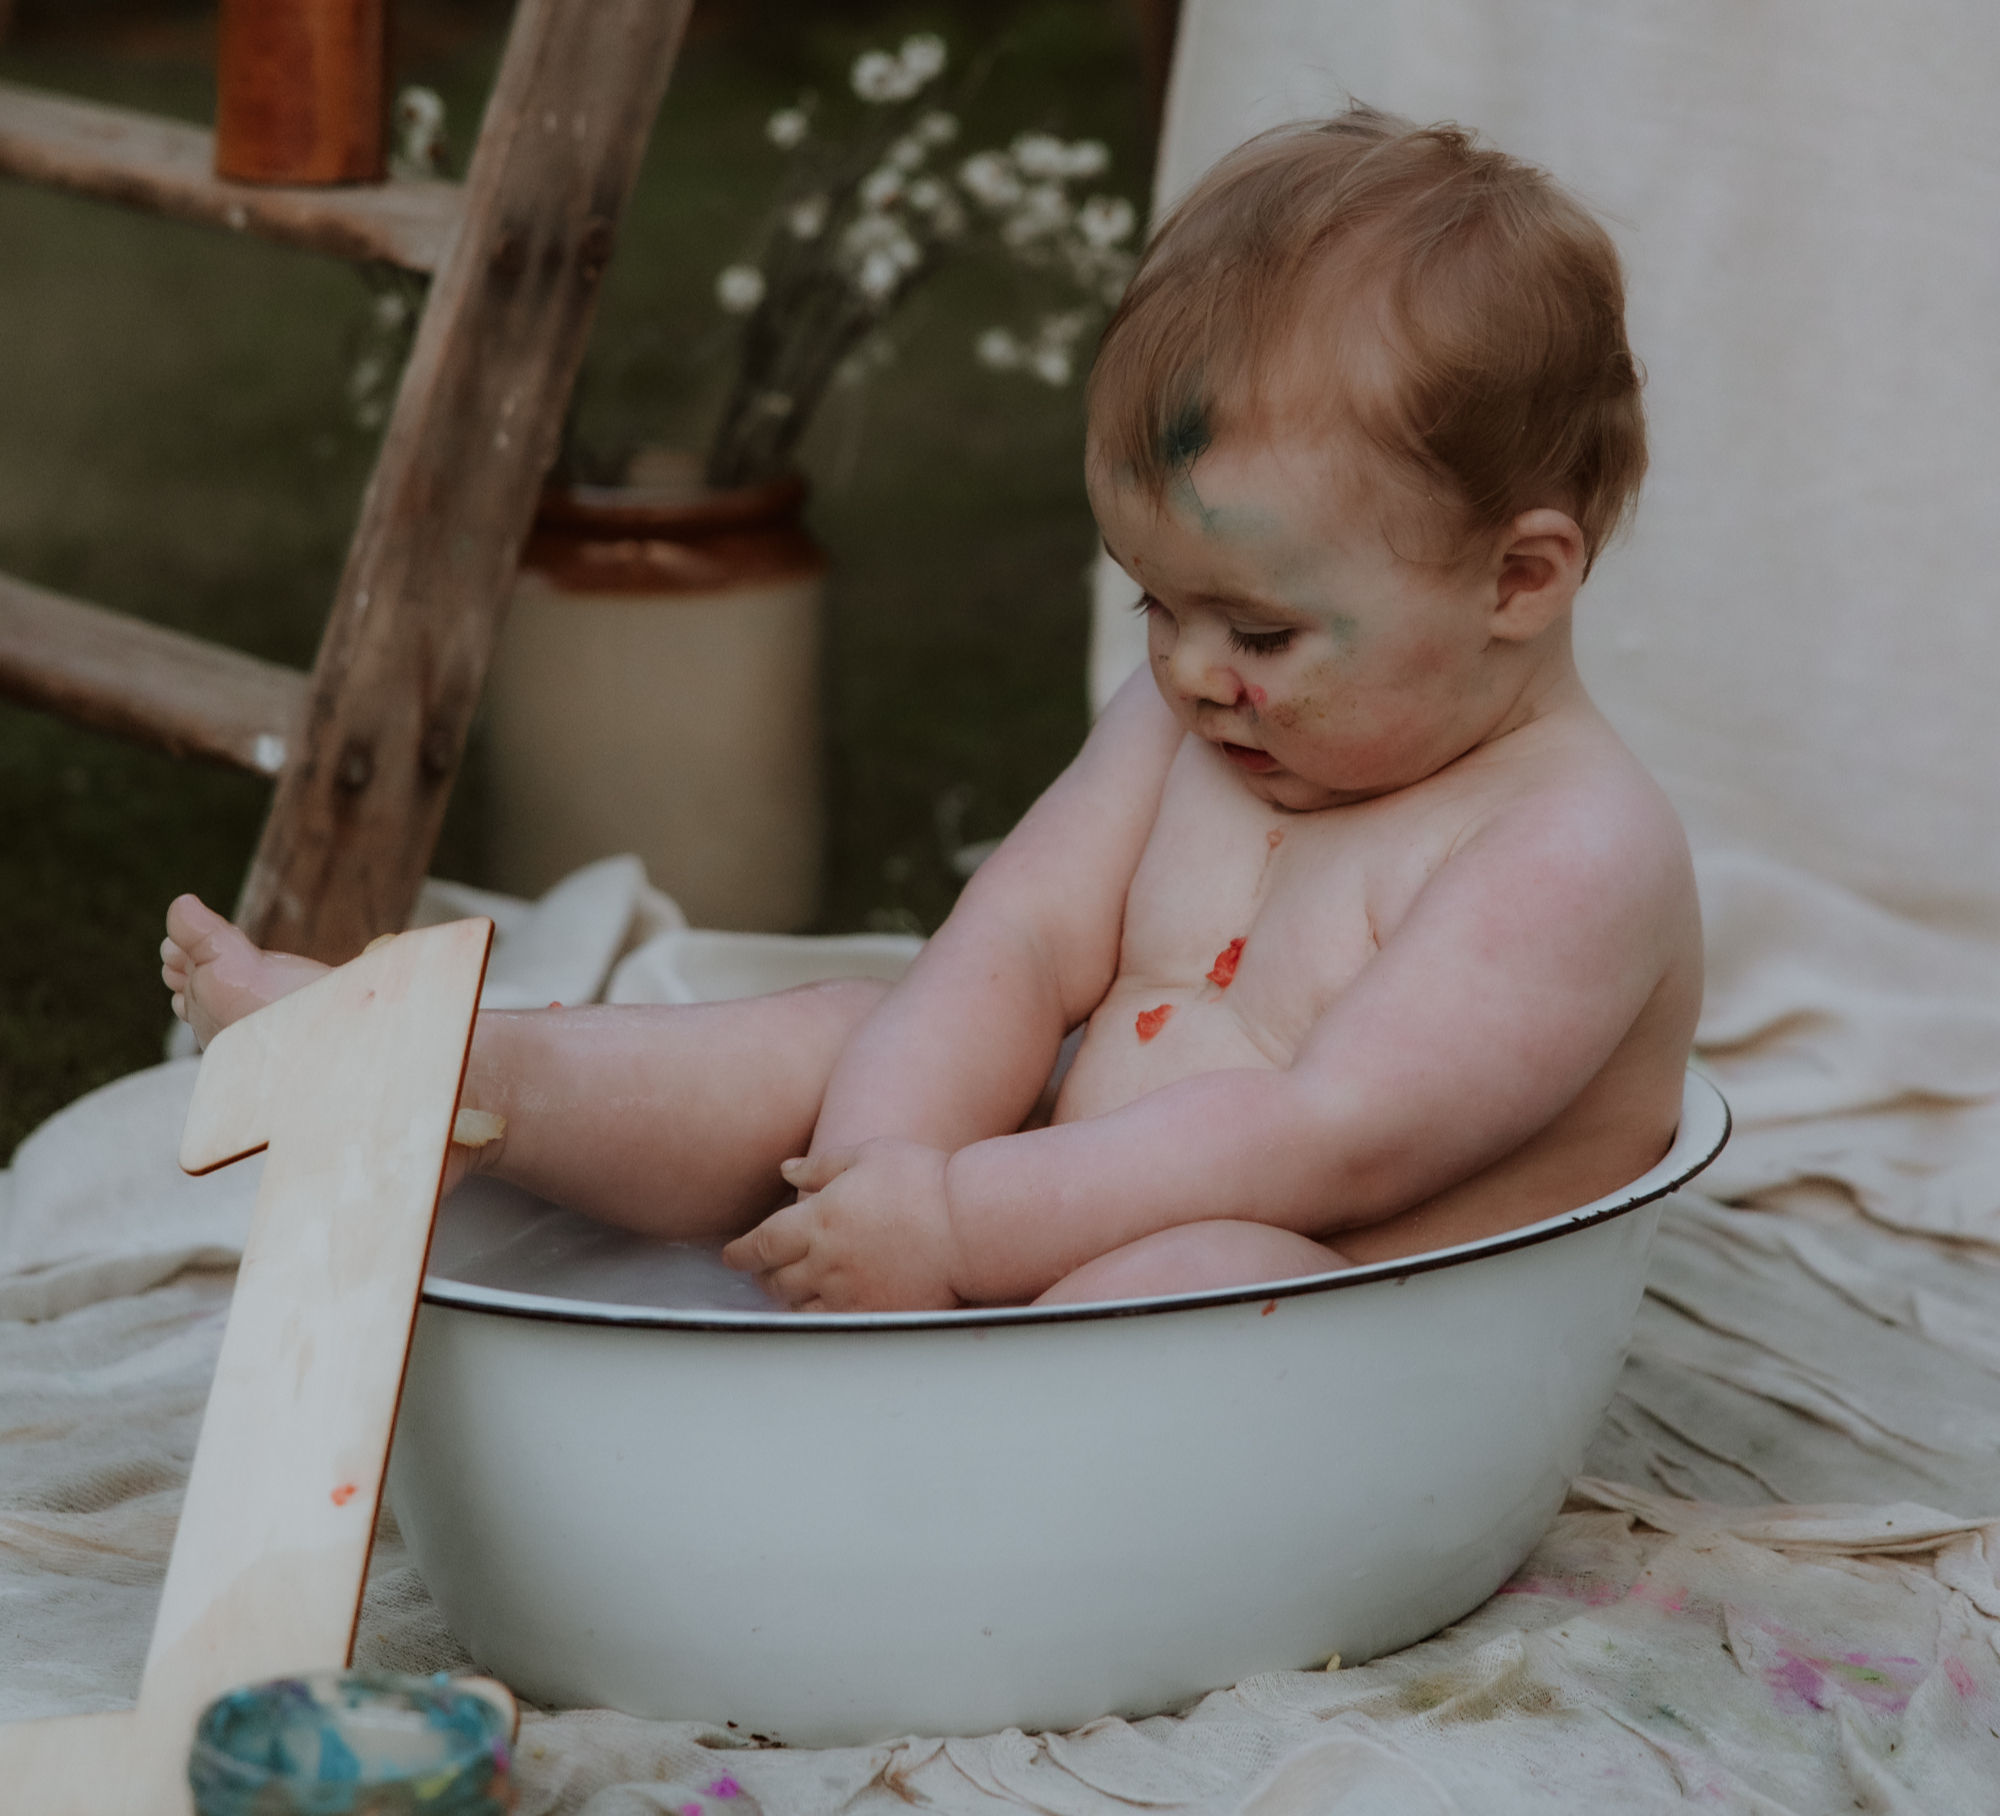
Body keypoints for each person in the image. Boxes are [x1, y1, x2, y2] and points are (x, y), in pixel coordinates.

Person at [162, 107, 1701, 1313]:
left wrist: (961, 1228)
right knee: (845, 1028)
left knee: (1209, 1276)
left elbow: (1330, 1138)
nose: (1186, 669)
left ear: (1520, 577)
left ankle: (941, 1424)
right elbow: (1021, 942)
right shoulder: (1209, 718)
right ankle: (464, 1074)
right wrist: (879, 1162)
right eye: (1153, 604)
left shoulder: (1568, 850)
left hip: (1348, 1301)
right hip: (1037, 1199)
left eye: (1263, 628)